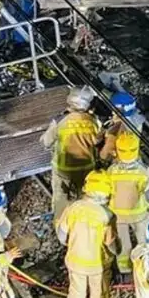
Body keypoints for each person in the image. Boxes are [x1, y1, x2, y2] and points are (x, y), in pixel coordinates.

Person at [58, 170, 115, 298]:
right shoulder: (107, 215)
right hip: (98, 266)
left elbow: (62, 236)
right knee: (99, 295)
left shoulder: (73, 208)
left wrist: (73, 244)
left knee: (76, 291)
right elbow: (110, 244)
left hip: (76, 261)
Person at [41, 86, 102, 220]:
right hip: (86, 168)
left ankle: (60, 222)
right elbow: (98, 141)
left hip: (63, 168)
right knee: (85, 197)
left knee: (60, 199)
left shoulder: (60, 121)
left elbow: (46, 142)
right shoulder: (94, 121)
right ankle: (82, 222)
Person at [107, 132, 149, 275]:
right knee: (144, 240)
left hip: (118, 215)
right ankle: (146, 267)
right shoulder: (142, 170)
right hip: (138, 213)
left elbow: (107, 191)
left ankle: (125, 269)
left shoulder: (112, 170)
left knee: (123, 243)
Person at [100, 91, 144, 164]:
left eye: (115, 109)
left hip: (118, 161)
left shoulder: (124, 127)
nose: (113, 112)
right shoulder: (134, 119)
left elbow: (105, 154)